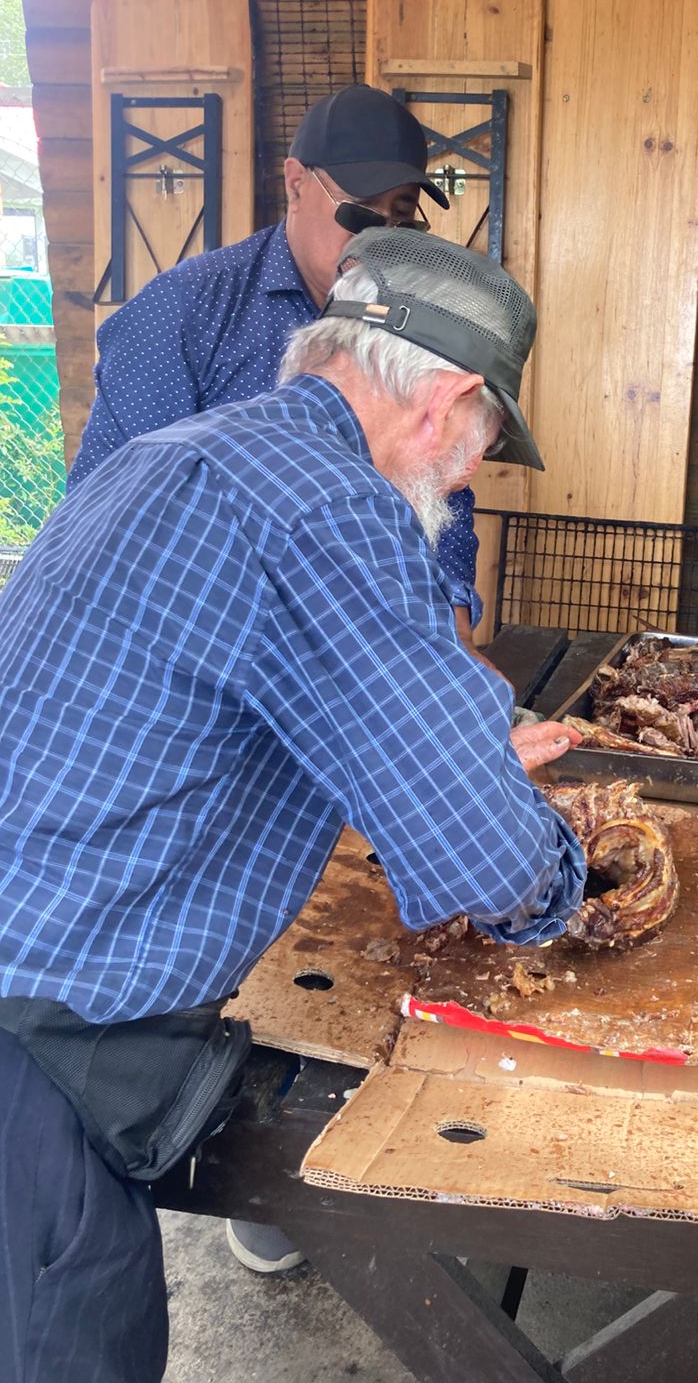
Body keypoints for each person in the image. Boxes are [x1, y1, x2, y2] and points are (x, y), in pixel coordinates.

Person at [0, 228, 584, 1383]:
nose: (466, 475)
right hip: (38, 1060)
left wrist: (467, 741)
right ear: (449, 400)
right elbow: (489, 870)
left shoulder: (183, 452)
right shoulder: (332, 507)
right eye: (482, 445)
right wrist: (573, 876)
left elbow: (338, 675)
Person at [70, 84, 487, 649]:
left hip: (364, 640)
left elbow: (440, 485)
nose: (380, 238)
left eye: (400, 216)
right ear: (295, 182)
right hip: (196, 642)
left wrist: (453, 622)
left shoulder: (409, 321)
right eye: (360, 210)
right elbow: (118, 515)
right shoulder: (182, 313)